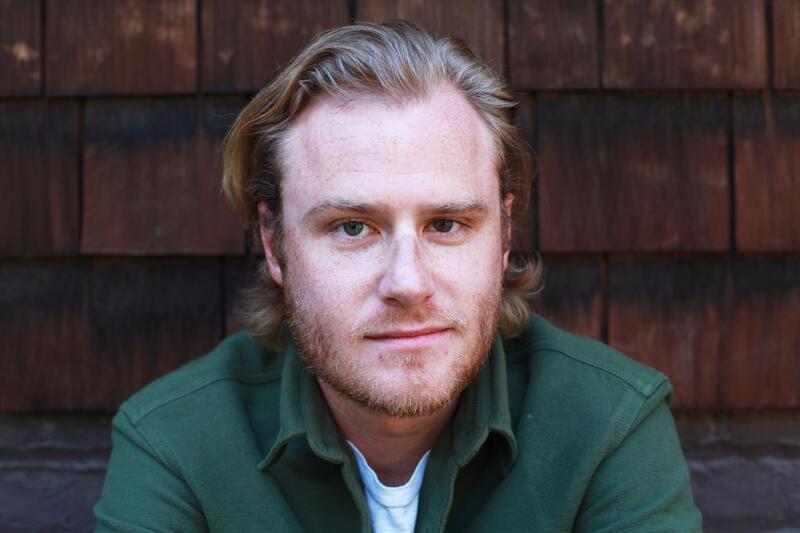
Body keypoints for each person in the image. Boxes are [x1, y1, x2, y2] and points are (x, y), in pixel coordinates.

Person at [95, 21, 702, 532]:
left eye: (446, 224)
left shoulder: (608, 423)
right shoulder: (176, 442)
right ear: (274, 245)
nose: (407, 283)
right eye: (352, 228)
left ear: (503, 236)